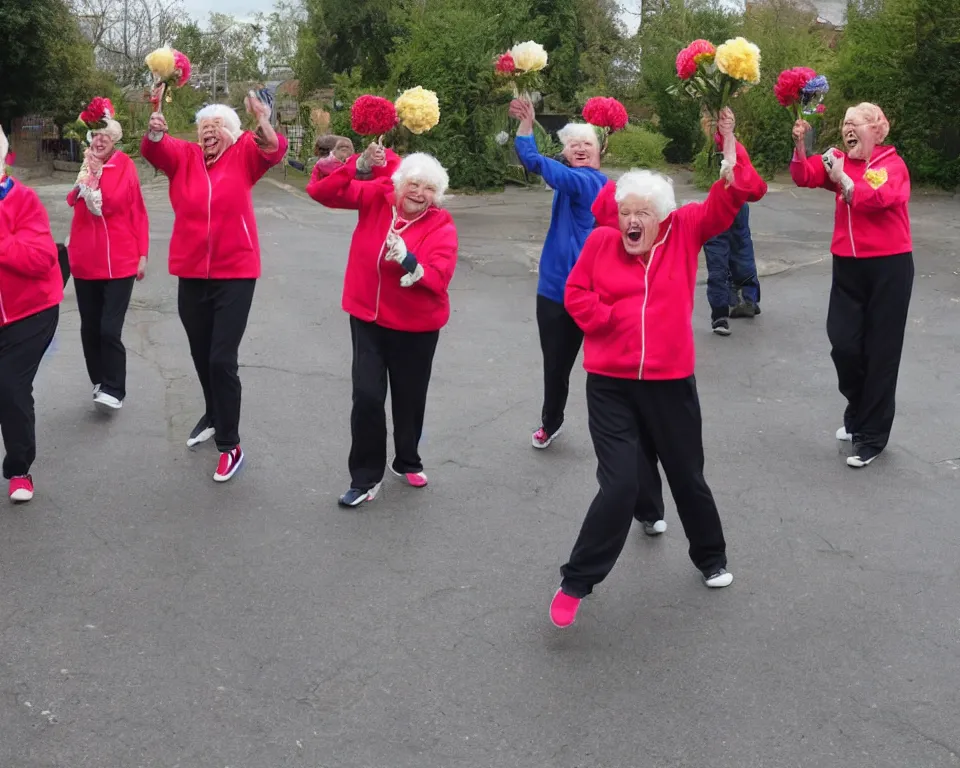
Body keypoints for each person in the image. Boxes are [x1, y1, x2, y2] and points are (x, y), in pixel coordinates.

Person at [549, 108, 767, 628]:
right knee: (620, 482)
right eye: (626, 211)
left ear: (663, 216)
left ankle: (710, 556)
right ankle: (577, 580)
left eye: (643, 213)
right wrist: (602, 321)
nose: (631, 221)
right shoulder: (603, 242)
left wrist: (729, 140)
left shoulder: (687, 229)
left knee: (686, 473)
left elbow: (742, 192)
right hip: (610, 384)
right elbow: (575, 292)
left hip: (669, 382)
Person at [141, 94, 288, 482]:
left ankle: (230, 443)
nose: (210, 133)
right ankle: (212, 412)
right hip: (191, 271)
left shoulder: (243, 154)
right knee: (201, 353)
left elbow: (272, 150)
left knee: (222, 358)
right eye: (205, 128)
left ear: (232, 133)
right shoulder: (185, 158)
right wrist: (155, 132)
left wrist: (264, 119)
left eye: (217, 127)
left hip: (235, 271)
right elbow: (156, 149)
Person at [308, 144, 458, 507]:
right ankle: (364, 478)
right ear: (400, 183)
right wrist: (355, 164)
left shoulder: (441, 224)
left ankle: (406, 458)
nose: (418, 193)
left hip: (416, 327)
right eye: (413, 184)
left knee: (409, 400)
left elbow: (439, 277)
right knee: (367, 397)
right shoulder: (378, 197)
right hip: (368, 318)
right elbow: (323, 191)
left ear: (435, 196)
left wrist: (409, 259)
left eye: (427, 189)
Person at [791, 103, 913, 469]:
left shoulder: (892, 164)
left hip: (889, 267)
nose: (847, 128)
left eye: (855, 122)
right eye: (845, 123)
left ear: (877, 129)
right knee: (844, 344)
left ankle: (872, 437)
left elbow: (881, 198)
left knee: (881, 353)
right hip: (848, 265)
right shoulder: (838, 160)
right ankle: (858, 412)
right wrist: (801, 146)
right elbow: (804, 175)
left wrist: (844, 179)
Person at [509, 98, 608, 450]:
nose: (580, 149)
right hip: (552, 289)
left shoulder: (592, 183)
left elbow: (536, 163)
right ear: (566, 152)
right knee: (556, 366)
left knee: (603, 366)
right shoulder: (567, 181)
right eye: (574, 145)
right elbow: (542, 168)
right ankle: (551, 422)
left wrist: (526, 126)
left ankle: (615, 429)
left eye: (588, 144)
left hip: (589, 292)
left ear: (600, 151)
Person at [66, 98, 149, 412]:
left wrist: (142, 252)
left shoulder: (124, 165)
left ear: (115, 140)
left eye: (105, 136)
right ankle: (100, 381)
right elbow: (72, 200)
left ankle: (115, 388)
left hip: (120, 262)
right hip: (85, 261)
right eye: (95, 135)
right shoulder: (86, 164)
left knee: (108, 329)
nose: (99, 140)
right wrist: (86, 178)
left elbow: (126, 208)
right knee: (89, 328)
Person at [0, 126, 64, 503]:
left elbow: (42, 259)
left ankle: (19, 469)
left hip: (31, 312)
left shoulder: (23, 200)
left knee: (10, 386)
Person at [700, 112, 762, 335]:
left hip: (724, 206)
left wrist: (725, 132)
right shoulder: (731, 144)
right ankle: (745, 298)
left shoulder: (725, 142)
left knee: (720, 254)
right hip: (735, 204)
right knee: (740, 249)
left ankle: (723, 311)